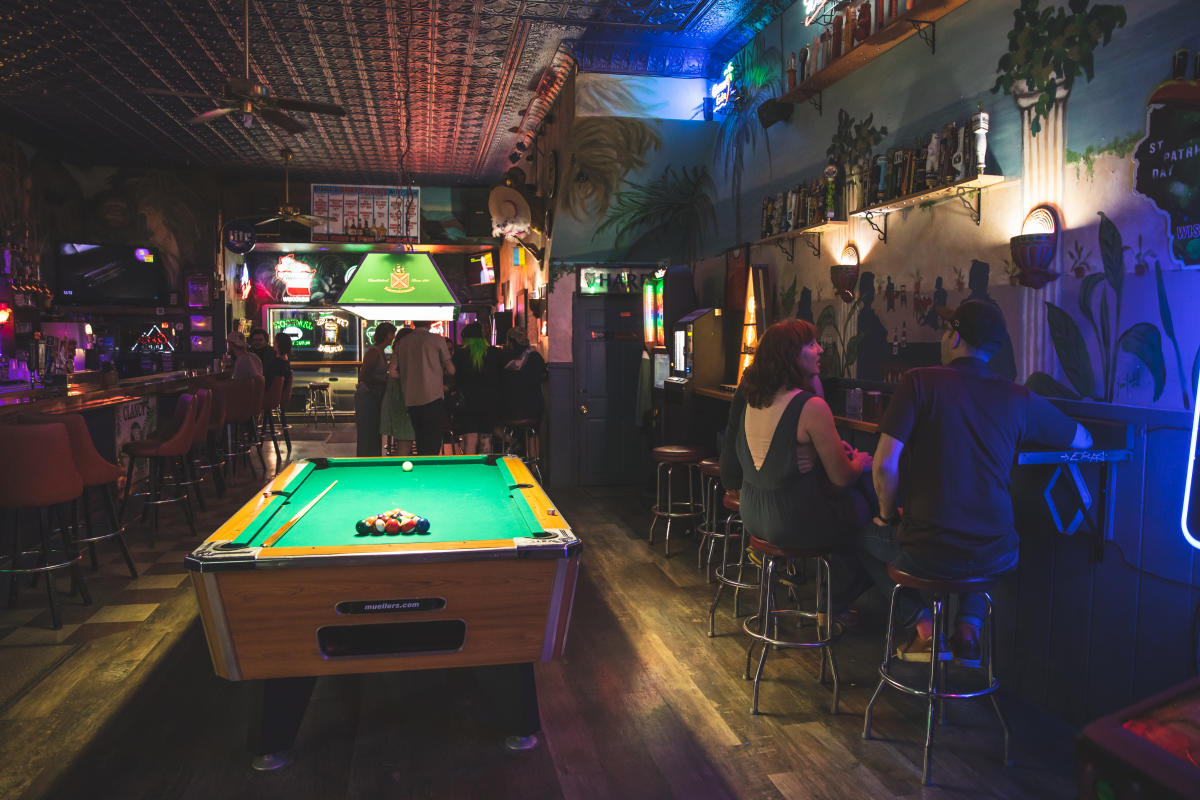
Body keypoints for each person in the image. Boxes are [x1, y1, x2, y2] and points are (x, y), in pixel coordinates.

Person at [861, 299, 1093, 666]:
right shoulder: (1018, 397)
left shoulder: (919, 381)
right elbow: (1083, 439)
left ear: (954, 338)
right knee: (982, 544)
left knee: (865, 540)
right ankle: (968, 631)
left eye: (946, 329)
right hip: (996, 552)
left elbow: (885, 464)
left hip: (927, 549)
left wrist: (887, 516)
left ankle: (924, 630)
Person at [719, 319, 874, 587]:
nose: (821, 350)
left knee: (855, 519)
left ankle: (827, 600)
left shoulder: (753, 401)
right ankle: (832, 603)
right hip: (791, 522)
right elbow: (841, 477)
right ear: (791, 355)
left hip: (753, 517)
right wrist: (860, 462)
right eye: (812, 344)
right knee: (866, 518)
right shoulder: (811, 406)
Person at [391, 320, 454, 456]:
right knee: (432, 441)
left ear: (414, 323)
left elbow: (393, 372)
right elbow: (451, 370)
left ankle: (422, 470)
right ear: (430, 323)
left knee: (420, 438)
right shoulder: (437, 340)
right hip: (433, 397)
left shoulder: (403, 342)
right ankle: (430, 472)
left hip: (411, 399)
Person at [451, 322, 502, 454]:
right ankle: (486, 470)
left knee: (470, 440)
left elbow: (454, 377)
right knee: (486, 438)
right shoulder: (495, 353)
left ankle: (469, 471)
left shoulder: (460, 354)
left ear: (465, 338)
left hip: (467, 403)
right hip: (490, 401)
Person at [497, 327, 546, 460]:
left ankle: (512, 443)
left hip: (509, 411)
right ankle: (534, 465)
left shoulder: (503, 357)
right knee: (532, 430)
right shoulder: (535, 357)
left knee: (493, 422)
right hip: (532, 411)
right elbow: (543, 376)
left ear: (510, 341)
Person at [355, 322, 395, 457]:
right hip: (368, 397)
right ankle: (365, 461)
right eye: (392, 333)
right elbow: (364, 376)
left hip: (374, 397)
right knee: (368, 432)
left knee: (373, 432)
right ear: (387, 335)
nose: (393, 337)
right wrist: (384, 381)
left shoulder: (380, 351)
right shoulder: (374, 352)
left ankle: (371, 459)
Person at [380, 327, 416, 456]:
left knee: (404, 436)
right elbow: (395, 374)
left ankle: (402, 459)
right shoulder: (404, 354)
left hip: (397, 400)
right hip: (402, 400)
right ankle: (402, 460)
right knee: (405, 435)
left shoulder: (399, 351)